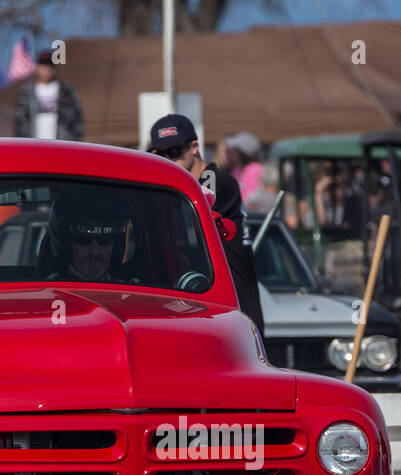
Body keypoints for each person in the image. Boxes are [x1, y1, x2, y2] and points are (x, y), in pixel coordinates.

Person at [147, 113, 265, 328]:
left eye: (174, 152)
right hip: (214, 306)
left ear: (194, 147)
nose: (168, 160)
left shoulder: (214, 179)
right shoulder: (187, 187)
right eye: (160, 154)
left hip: (236, 309)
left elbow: (189, 228)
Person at [38, 193, 134, 283]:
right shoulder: (46, 293)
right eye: (83, 239)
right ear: (64, 244)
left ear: (116, 246)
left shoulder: (131, 295)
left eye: (105, 239)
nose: (95, 251)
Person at [13, 51, 84, 141]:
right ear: (37, 66)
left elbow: (77, 121)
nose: (47, 67)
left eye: (50, 64)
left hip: (61, 146)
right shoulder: (26, 93)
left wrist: (74, 142)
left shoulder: (67, 91)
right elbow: (19, 122)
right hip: (33, 146)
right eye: (43, 63)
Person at [224, 132, 263, 201]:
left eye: (233, 150)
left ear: (242, 153)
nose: (229, 154)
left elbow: (250, 199)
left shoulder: (255, 169)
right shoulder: (235, 169)